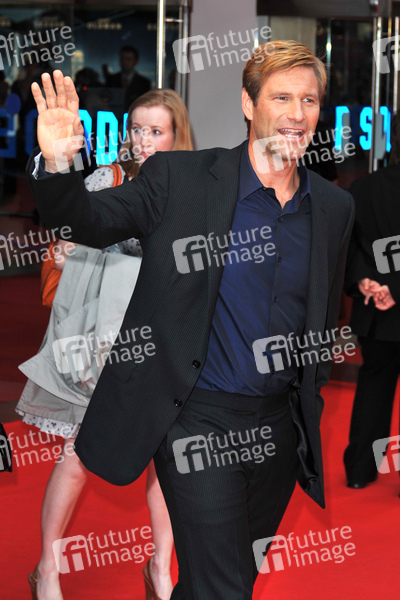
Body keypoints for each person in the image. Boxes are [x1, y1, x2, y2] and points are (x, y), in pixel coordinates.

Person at [28, 40, 354, 599]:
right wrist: (58, 164)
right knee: (223, 587)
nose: (297, 114)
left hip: (277, 429)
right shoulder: (180, 179)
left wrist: (307, 401)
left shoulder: (332, 207)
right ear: (249, 105)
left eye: (309, 100)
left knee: (223, 579)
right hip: (196, 420)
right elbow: (87, 221)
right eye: (281, 98)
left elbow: (320, 318)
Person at [18, 89, 193, 600]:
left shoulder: (194, 190)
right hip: (103, 343)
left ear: (178, 136)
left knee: (166, 463)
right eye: (137, 129)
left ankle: (161, 568)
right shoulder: (107, 179)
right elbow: (73, 220)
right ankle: (48, 568)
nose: (143, 140)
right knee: (77, 456)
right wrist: (69, 245)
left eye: (156, 130)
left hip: (163, 344)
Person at [343, 114, 400, 490]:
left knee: (373, 388)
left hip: (376, 313)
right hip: (384, 305)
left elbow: (349, 249)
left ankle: (360, 470)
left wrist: (366, 282)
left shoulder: (363, 188)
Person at [104, 45, 151, 111]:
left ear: (135, 61)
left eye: (128, 59)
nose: (124, 62)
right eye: (122, 59)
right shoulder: (111, 80)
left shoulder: (144, 83)